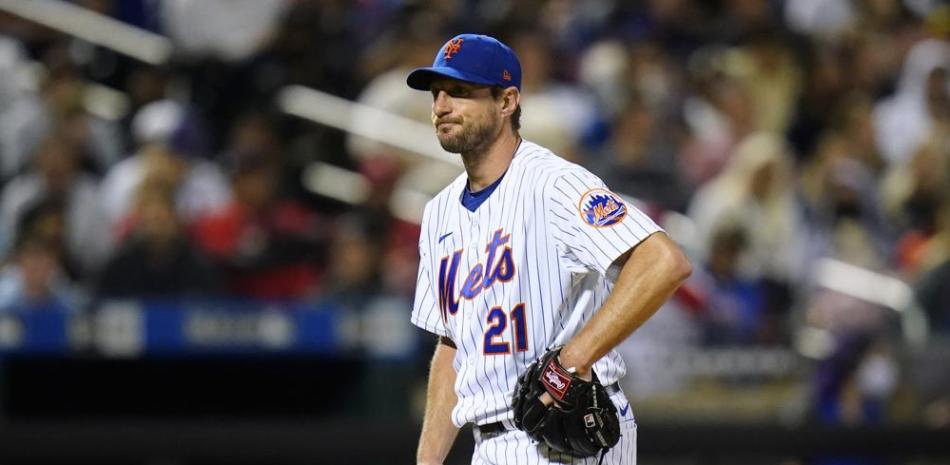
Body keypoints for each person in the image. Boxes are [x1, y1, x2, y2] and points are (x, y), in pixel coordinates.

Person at [406, 34, 692, 465]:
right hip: (489, 444)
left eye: (461, 92)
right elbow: (452, 346)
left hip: (563, 435)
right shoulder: (437, 213)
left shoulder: (555, 184)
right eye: (437, 93)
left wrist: (574, 360)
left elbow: (663, 262)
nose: (442, 105)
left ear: (506, 102)